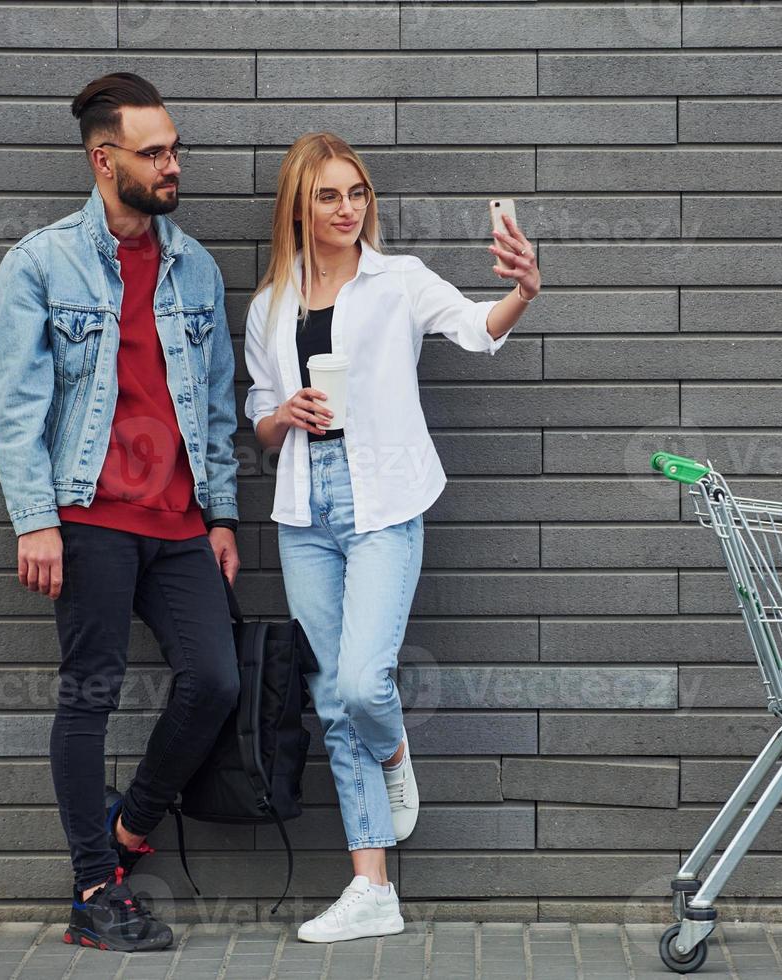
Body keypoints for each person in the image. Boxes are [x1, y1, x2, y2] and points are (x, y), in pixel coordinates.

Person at [243, 132, 542, 943]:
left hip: (383, 503)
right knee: (328, 698)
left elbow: (480, 328)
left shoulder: (397, 280)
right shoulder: (270, 303)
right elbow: (260, 415)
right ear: (298, 208)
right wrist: (283, 416)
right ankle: (371, 889)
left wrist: (522, 288)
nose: (347, 210)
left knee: (363, 686)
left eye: (357, 193)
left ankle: (395, 750)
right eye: (329, 196)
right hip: (306, 511)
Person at [0, 72, 242, 953]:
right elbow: (17, 405)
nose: (174, 165)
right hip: (88, 513)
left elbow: (214, 407)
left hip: (178, 525)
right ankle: (95, 891)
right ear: (105, 160)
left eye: (175, 148)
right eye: (154, 152)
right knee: (88, 695)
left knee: (216, 680)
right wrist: (34, 519)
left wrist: (222, 518)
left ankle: (127, 831)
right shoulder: (39, 263)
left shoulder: (195, 267)